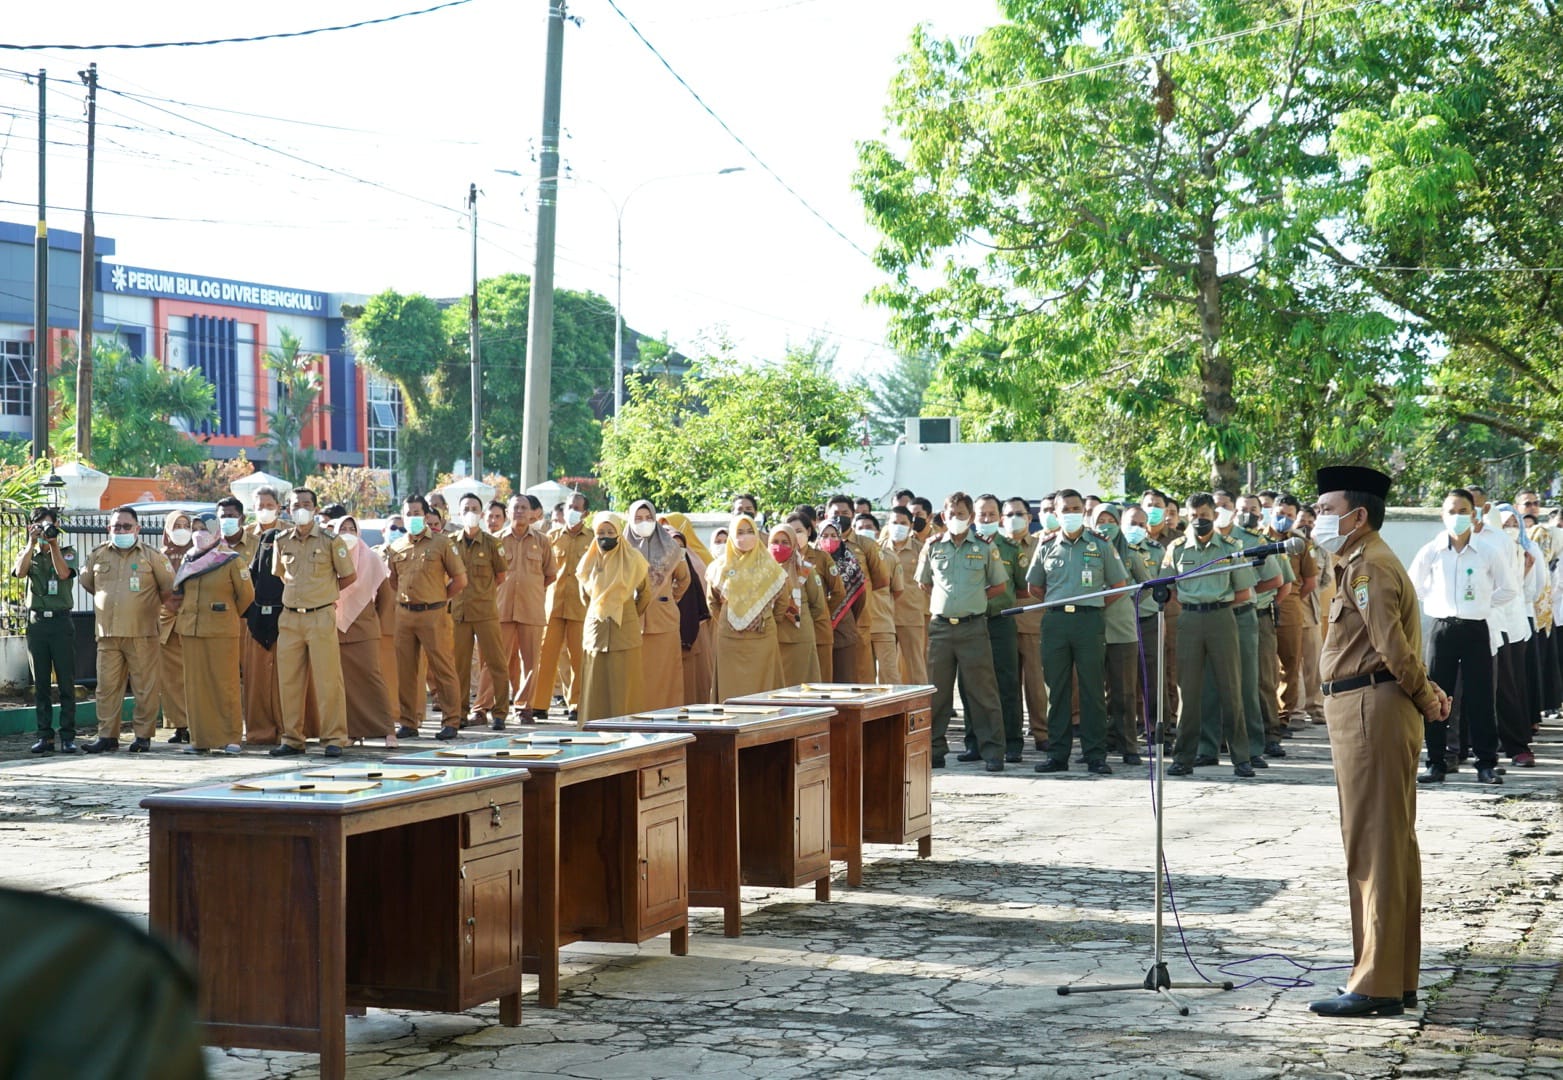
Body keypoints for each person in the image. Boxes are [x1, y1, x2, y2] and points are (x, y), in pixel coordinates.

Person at [1309, 465, 1445, 1018]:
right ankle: (1394, 973)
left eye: (1325, 510)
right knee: (1385, 844)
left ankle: (1377, 984)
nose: (1317, 519)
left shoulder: (1371, 567)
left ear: (1357, 515)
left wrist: (1427, 696)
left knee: (1375, 847)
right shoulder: (1354, 561)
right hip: (1362, 707)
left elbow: (1393, 649)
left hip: (1372, 708)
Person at [1407, 489, 1512, 784]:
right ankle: (1436, 762)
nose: (1457, 517)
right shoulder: (1432, 550)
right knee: (1437, 696)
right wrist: (1434, 602)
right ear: (1442, 515)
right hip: (1442, 629)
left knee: (1480, 699)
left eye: (1463, 511)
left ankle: (1486, 764)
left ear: (1474, 514)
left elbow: (1508, 588)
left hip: (1476, 627)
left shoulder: (1488, 551)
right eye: (1451, 511)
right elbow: (1413, 585)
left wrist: (1481, 604)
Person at [1028, 488, 1127, 775]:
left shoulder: (1100, 543)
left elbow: (1119, 586)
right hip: (1056, 622)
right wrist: (1059, 602)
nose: (1070, 513)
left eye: (1075, 508)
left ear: (1082, 512)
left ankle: (1095, 755)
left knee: (1092, 689)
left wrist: (1092, 603)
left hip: (1089, 622)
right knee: (1056, 690)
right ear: (1055, 514)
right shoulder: (1046, 545)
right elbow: (1035, 587)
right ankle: (1057, 754)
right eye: (1064, 509)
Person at [1163, 493, 1254, 778]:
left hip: (1222, 618)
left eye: (1204, 515)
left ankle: (1241, 757)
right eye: (1193, 516)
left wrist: (1215, 602)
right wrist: (1195, 602)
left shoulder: (1231, 547)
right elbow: (1172, 590)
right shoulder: (1177, 549)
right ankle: (1183, 757)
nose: (1199, 520)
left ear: (1214, 515)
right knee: (1188, 692)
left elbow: (1243, 592)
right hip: (1189, 618)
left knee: (1231, 689)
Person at [918, 491, 1008, 771]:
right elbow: (924, 584)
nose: (955, 518)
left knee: (983, 693)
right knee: (937, 693)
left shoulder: (984, 547)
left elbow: (999, 586)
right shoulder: (932, 546)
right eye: (951, 514)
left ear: (970, 517)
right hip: (941, 629)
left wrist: (972, 600)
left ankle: (993, 752)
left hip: (973, 628)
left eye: (961, 514)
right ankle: (934, 749)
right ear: (943, 516)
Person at [80, 507, 175, 754]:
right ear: (108, 529)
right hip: (108, 633)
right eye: (116, 527)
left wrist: (145, 606)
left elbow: (167, 589)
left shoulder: (152, 556)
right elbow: (89, 583)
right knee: (106, 687)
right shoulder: (98, 554)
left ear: (137, 529)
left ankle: (143, 736)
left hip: (142, 633)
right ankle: (107, 736)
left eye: (126, 526)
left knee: (145, 688)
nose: (120, 530)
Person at [269, 488, 355, 758]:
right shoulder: (282, 540)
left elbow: (348, 576)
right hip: (290, 617)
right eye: (296, 505)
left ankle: (334, 738)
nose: (301, 509)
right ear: (288, 509)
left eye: (306, 504)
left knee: (328, 680)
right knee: (289, 681)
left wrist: (324, 593)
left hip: (320, 615)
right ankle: (292, 738)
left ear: (316, 509)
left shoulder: (331, 540)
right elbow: (280, 575)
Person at [171, 513, 254, 755]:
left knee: (224, 684)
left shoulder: (230, 559)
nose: (198, 533)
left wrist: (225, 614)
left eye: (203, 528)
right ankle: (201, 739)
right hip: (191, 628)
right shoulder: (189, 558)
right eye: (195, 528)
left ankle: (230, 737)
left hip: (221, 629)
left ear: (216, 531)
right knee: (196, 686)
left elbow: (247, 595)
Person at [387, 494, 468, 741]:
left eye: (417, 513)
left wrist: (440, 598)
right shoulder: (396, 546)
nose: (413, 517)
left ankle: (451, 720)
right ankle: (409, 722)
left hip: (433, 613)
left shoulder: (442, 543)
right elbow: (393, 579)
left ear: (426, 515)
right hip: (404, 614)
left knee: (442, 668)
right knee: (406, 670)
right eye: (408, 513)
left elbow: (460, 580)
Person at [959, 494, 1027, 762]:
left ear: (1000, 517)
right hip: (971, 622)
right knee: (969, 684)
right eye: (981, 515)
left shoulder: (1010, 549)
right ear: (973, 518)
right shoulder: (963, 545)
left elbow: (1022, 589)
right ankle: (974, 741)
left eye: (991, 514)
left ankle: (1012, 742)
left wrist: (998, 601)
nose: (986, 519)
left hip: (1000, 622)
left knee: (1006, 682)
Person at [485, 495, 557, 724]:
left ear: (532, 513)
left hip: (531, 609)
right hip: (501, 608)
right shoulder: (495, 540)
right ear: (508, 510)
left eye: (524, 508)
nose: (519, 512)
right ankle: (484, 707)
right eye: (515, 507)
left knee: (530, 662)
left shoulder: (543, 541)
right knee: (494, 660)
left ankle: (524, 708)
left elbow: (550, 574)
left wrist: (531, 590)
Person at [328, 515, 397, 748]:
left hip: (364, 627)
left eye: (351, 528)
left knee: (371, 678)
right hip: (333, 627)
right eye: (342, 528)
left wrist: (374, 619)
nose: (347, 532)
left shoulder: (372, 558)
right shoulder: (329, 557)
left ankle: (387, 730)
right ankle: (352, 731)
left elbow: (386, 597)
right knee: (344, 683)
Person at [577, 512, 652, 722]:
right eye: (600, 532)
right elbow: (584, 596)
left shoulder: (634, 559)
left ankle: (627, 734)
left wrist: (628, 613)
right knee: (594, 687)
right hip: (596, 631)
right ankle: (593, 735)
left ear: (619, 533)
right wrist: (599, 612)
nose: (605, 536)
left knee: (625, 687)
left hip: (624, 630)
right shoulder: (588, 561)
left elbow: (645, 594)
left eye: (611, 532)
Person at [14, 507, 78, 754]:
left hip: (61, 623)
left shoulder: (68, 552)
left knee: (66, 682)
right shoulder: (28, 553)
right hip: (37, 624)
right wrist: (31, 544)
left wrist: (53, 545)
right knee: (41, 683)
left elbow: (63, 574)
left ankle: (68, 736)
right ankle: (44, 736)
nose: (45, 530)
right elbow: (20, 572)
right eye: (40, 526)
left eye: (49, 525)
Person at [707, 513, 789, 699]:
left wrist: (765, 618)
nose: (745, 536)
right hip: (729, 640)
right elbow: (712, 602)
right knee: (730, 690)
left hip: (763, 636)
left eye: (750, 531)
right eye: (740, 532)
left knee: (764, 691)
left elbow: (782, 602)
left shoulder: (770, 566)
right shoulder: (719, 567)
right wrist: (730, 621)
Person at [449, 492, 512, 729]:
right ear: (459, 512)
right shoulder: (450, 543)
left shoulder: (493, 544)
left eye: (475, 509)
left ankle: (500, 713)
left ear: (482, 513)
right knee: (460, 667)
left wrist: (483, 593)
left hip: (485, 612)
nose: (471, 513)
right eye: (466, 509)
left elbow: (501, 576)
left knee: (496, 663)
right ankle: (460, 713)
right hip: (459, 613)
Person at [531, 492, 592, 721]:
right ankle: (539, 704)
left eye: (577, 508)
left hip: (580, 605)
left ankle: (576, 704)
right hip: (552, 604)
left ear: (585, 513)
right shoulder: (550, 537)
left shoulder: (592, 539)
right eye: (569, 507)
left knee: (578, 657)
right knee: (546, 654)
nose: (572, 511)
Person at [627, 499, 691, 710]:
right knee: (634, 678)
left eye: (648, 518)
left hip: (663, 622)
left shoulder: (670, 547)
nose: (643, 522)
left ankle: (666, 723)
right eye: (638, 518)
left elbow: (684, 579)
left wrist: (669, 599)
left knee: (665, 677)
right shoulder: (622, 547)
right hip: (631, 622)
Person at [1270, 494, 1319, 729]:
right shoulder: (1257, 541)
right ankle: (1264, 715)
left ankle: (1285, 716)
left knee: (1290, 663)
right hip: (1257, 604)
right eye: (1280, 514)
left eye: (1289, 515)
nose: (1284, 519)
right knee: (1260, 663)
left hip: (1290, 606)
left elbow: (1310, 581)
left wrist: (1291, 599)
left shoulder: (1300, 543)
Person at [1003, 498, 1046, 750]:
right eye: (1009, 514)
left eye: (1020, 514)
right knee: (1008, 685)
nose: (1014, 518)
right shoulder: (994, 547)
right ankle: (1012, 736)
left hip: (1034, 623)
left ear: (1030, 519)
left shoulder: (1041, 546)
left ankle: (1042, 734)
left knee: (1037, 686)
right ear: (1001, 519)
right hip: (1003, 624)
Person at [157, 510, 194, 744]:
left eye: (185, 524)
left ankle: (197, 723)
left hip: (192, 621)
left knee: (194, 677)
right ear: (167, 530)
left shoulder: (200, 555)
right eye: (176, 525)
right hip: (167, 623)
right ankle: (179, 726)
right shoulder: (157, 556)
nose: (181, 529)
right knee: (170, 680)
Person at [771, 522, 822, 684]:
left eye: (785, 542)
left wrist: (798, 615)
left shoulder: (806, 569)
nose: (779, 547)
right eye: (775, 542)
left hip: (799, 639)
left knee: (802, 686)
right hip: (772, 638)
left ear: (794, 544)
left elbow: (818, 605)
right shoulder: (763, 571)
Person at [817, 518, 866, 683]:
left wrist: (842, 613)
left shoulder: (850, 561)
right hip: (818, 628)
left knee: (845, 678)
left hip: (844, 629)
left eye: (833, 535)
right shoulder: (811, 560)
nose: (829, 540)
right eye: (824, 535)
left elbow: (860, 598)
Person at [886, 505, 930, 683]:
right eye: (894, 522)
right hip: (885, 616)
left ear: (911, 525)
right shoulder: (877, 549)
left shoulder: (921, 550)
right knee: (887, 668)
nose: (898, 526)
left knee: (915, 666)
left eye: (903, 523)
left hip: (911, 615)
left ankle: (921, 707)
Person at [859, 512, 905, 683]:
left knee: (889, 675)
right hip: (859, 627)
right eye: (861, 528)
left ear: (878, 532)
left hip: (883, 625)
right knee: (864, 677)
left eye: (869, 528)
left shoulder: (890, 557)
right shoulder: (849, 557)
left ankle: (894, 711)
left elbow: (897, 590)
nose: (865, 531)